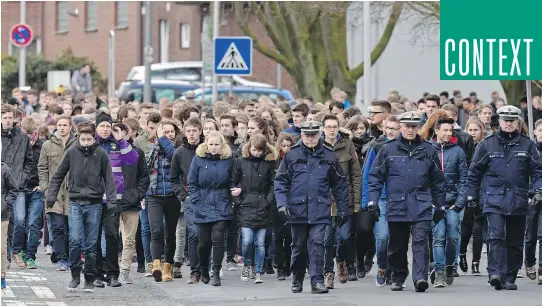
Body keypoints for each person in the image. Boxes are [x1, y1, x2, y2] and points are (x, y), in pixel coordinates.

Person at [367, 111, 446, 292]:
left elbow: (438, 180)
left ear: (418, 127)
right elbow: (375, 177)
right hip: (397, 203)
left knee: (420, 242)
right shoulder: (388, 149)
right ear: (400, 127)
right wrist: (372, 201)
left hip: (421, 203)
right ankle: (398, 275)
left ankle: (420, 278)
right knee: (397, 244)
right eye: (407, 126)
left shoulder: (428, 149)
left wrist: (440, 204)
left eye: (414, 126)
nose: (410, 130)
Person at [466, 105, 542, 291]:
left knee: (515, 241)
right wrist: (471, 195)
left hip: (519, 199)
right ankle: (495, 273)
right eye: (505, 120)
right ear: (499, 121)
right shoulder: (487, 144)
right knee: (496, 236)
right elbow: (474, 172)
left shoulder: (527, 145)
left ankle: (510, 276)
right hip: (494, 199)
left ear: (518, 122)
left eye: (512, 120)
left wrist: (538, 190)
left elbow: (538, 171)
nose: (508, 123)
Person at [274, 120, 349, 294]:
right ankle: (297, 279)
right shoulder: (292, 155)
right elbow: (281, 182)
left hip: (320, 208)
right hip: (297, 209)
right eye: (307, 135)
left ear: (319, 134)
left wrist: (343, 209)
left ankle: (317, 281)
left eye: (313, 135)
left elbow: (340, 184)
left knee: (318, 245)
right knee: (298, 246)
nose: (310, 139)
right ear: (301, 135)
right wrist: (282, 204)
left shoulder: (329, 156)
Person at [46, 121, 117, 293]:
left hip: (94, 204)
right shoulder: (71, 152)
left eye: (89, 139)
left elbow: (109, 179)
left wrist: (113, 202)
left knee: (92, 244)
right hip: (75, 202)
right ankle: (75, 274)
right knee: (75, 240)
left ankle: (89, 278)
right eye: (83, 139)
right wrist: (51, 196)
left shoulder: (101, 154)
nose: (86, 142)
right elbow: (58, 176)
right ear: (79, 138)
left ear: (94, 138)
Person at [187, 131, 234, 286]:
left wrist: (234, 194)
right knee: (204, 243)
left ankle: (216, 272)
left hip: (222, 205)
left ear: (222, 146)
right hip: (202, 205)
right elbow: (191, 182)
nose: (214, 147)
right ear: (206, 145)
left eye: (217, 144)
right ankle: (204, 269)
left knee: (218, 239)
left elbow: (234, 180)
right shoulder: (198, 159)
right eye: (211, 144)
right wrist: (196, 201)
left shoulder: (229, 160)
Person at [230, 134, 278, 284]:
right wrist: (239, 201)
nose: (256, 153)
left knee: (260, 242)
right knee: (247, 241)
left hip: (263, 207)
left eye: (259, 150)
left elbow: (273, 184)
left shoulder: (269, 163)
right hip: (246, 206)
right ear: (249, 148)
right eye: (254, 150)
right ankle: (247, 265)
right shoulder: (240, 162)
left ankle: (257, 270)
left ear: (264, 150)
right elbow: (233, 181)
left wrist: (268, 200)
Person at [321, 114, 362, 287]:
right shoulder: (317, 145)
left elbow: (356, 174)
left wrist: (357, 202)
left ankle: (341, 260)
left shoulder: (347, 145)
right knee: (326, 239)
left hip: (345, 200)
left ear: (338, 127)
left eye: (334, 126)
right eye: (328, 126)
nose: (331, 129)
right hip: (324, 201)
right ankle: (328, 272)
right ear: (323, 128)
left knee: (344, 237)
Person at [361, 115, 401, 286]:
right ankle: (383, 265)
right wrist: (367, 201)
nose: (391, 131)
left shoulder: (406, 147)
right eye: (388, 128)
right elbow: (367, 175)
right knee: (383, 236)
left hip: (400, 199)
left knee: (397, 237)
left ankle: (393, 268)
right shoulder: (377, 147)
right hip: (382, 198)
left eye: (394, 128)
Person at [428, 118, 468, 288]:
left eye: (450, 130)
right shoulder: (427, 149)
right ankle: (439, 273)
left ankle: (450, 265)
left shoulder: (458, 151)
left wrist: (459, 202)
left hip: (453, 202)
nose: (448, 133)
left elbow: (465, 179)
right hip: (434, 202)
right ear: (436, 131)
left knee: (452, 237)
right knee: (438, 237)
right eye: (444, 130)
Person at [110, 123, 149, 285]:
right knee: (111, 237)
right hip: (112, 201)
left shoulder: (136, 153)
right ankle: (111, 270)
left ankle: (125, 270)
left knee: (129, 239)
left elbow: (144, 177)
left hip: (131, 202)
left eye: (121, 134)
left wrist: (137, 194)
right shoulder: (108, 153)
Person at [38, 115, 76, 271]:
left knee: (71, 229)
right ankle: (62, 258)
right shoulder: (48, 145)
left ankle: (65, 254)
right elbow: (42, 168)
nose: (62, 128)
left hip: (73, 192)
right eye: (59, 125)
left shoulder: (77, 143)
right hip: (54, 193)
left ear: (70, 126)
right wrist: (45, 187)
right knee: (58, 227)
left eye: (65, 125)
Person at [145, 120, 181, 282]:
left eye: (171, 131)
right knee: (156, 231)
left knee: (170, 233)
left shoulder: (178, 148)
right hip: (154, 195)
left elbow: (174, 156)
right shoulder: (151, 147)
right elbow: (145, 166)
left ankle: (168, 266)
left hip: (173, 196)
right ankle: (156, 264)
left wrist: (163, 139)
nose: (169, 134)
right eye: (165, 131)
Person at [170, 118, 205, 284]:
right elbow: (174, 178)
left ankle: (206, 267)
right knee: (193, 233)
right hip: (190, 199)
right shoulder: (179, 153)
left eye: (194, 130)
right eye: (188, 131)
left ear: (200, 131)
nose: (191, 134)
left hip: (208, 198)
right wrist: (183, 196)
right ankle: (194, 271)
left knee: (207, 234)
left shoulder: (207, 149)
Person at [1, 104, 32, 268]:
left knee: (19, 220)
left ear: (14, 119)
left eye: (9, 118)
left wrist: (23, 177)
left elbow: (29, 160)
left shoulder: (23, 137)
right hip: (1, 187)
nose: (7, 121)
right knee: (3, 222)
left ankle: (15, 251)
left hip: (18, 185)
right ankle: (4, 255)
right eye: (4, 118)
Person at [525, 119, 542, 283]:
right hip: (531, 196)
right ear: (535, 132)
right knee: (530, 236)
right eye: (541, 130)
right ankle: (529, 262)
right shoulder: (529, 150)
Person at [1, 162, 18, 289]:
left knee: (1, 247)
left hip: (1, 215)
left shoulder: (4, 168)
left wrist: (5, 204)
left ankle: (2, 275)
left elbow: (13, 189)